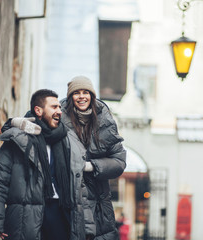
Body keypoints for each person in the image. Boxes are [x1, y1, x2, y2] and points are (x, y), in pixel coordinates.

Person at [10, 76, 127, 239]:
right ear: (70, 96)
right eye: (76, 93)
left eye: (86, 92)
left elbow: (119, 161)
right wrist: (14, 122)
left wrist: (92, 166)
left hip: (96, 197)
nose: (81, 97)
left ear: (92, 95)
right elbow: (34, 117)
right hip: (67, 195)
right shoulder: (60, 114)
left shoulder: (104, 120)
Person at [0, 89, 94, 240]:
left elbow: (79, 186)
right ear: (38, 110)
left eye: (59, 107)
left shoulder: (66, 141)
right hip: (26, 218)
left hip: (62, 216)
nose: (59, 111)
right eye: (54, 107)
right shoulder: (18, 141)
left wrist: (87, 227)